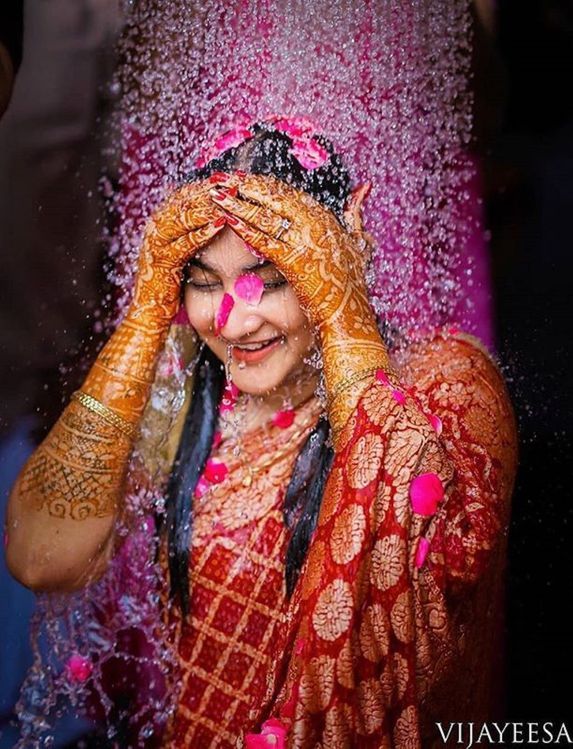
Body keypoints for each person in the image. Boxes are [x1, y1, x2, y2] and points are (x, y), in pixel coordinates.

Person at [5, 119, 518, 748]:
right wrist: (145, 316)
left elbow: (444, 568)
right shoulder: (188, 396)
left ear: (343, 246)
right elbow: (41, 559)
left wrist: (341, 305)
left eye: (272, 279)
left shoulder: (447, 377)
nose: (235, 321)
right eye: (201, 281)